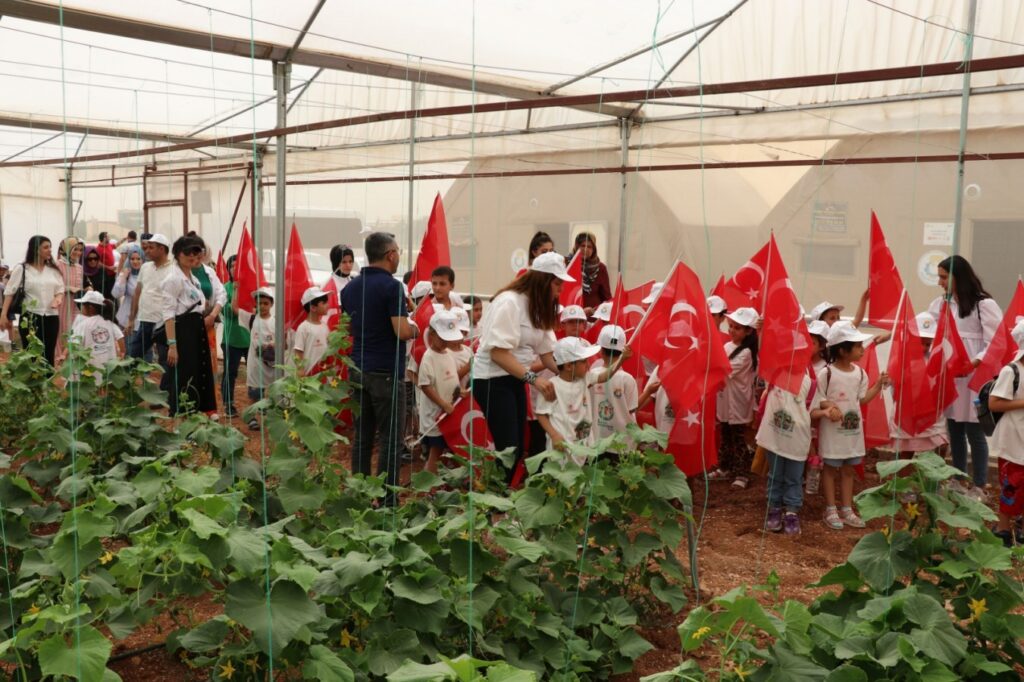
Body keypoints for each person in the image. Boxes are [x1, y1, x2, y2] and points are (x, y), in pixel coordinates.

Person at [472, 251, 568, 480]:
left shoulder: (539, 307)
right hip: (491, 380)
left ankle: (497, 499)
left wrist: (571, 375)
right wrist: (534, 379)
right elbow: (498, 353)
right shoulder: (509, 302)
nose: (560, 290)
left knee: (516, 447)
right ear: (543, 280)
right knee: (509, 448)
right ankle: (492, 502)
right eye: (557, 283)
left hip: (515, 379)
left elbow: (547, 355)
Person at [341, 232, 419, 505]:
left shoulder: (349, 288)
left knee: (362, 436)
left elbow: (349, 328)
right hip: (386, 372)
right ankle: (386, 499)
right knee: (390, 439)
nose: (398, 255)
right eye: (397, 251)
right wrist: (416, 327)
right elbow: (401, 331)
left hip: (358, 369)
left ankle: (361, 495)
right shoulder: (392, 288)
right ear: (390, 255)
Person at [928, 255, 1003, 498]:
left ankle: (979, 485)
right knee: (955, 430)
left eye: (943, 277)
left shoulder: (984, 304)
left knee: (975, 431)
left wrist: (974, 362)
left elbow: (995, 341)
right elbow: (933, 333)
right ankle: (958, 479)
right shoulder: (942, 304)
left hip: (975, 376)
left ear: (957, 276)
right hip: (952, 375)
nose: (939, 282)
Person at [812, 321, 889, 530]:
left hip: (852, 435)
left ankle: (846, 508)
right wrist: (829, 406)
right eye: (858, 346)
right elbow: (818, 399)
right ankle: (830, 508)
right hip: (832, 434)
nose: (862, 349)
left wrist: (879, 385)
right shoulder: (826, 374)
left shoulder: (860, 374)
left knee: (848, 470)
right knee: (830, 469)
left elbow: (862, 399)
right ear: (843, 350)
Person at [161, 234, 216, 416]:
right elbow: (168, 314)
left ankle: (195, 415)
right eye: (188, 252)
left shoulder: (194, 278)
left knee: (197, 372)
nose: (192, 256)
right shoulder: (173, 279)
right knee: (184, 376)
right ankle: (182, 420)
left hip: (196, 330)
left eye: (196, 251)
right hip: (182, 332)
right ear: (177, 254)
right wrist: (172, 345)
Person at [758, 370, 814, 536]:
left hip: (797, 438)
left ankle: (791, 512)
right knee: (775, 474)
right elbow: (765, 357)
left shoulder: (809, 381)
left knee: (794, 477)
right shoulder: (773, 376)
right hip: (775, 437)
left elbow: (814, 407)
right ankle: (774, 507)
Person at [709, 307, 760, 489]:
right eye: (730, 326)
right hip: (724, 399)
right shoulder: (727, 346)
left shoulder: (746, 353)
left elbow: (726, 370)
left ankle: (742, 473)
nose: (731, 331)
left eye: (737, 328)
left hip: (738, 401)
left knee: (738, 438)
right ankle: (725, 467)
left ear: (748, 331)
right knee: (725, 435)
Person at [889, 312, 949, 460]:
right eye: (920, 342)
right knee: (907, 450)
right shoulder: (901, 360)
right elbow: (894, 388)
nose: (923, 347)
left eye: (927, 344)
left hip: (931, 412)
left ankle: (932, 481)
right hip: (908, 412)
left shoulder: (936, 359)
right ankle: (900, 480)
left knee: (941, 443)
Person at [0, 235, 64, 365]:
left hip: (51, 317)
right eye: (46, 247)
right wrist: (3, 314)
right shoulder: (22, 268)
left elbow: (60, 290)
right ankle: (33, 384)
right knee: (32, 354)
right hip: (30, 317)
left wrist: (57, 299)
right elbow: (9, 292)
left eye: (50, 247)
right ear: (35, 250)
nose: (50, 250)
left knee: (48, 353)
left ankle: (47, 382)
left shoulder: (53, 269)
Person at [988, 320, 1024, 546]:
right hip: (1013, 439)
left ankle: (1021, 532)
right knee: (1011, 484)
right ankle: (1003, 528)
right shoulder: (1011, 371)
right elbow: (994, 403)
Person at [417, 310, 467, 473]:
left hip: (449, 412)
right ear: (431, 334)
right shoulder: (428, 357)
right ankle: (426, 487)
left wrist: (459, 392)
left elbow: (452, 379)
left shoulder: (448, 354)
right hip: (436, 415)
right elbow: (425, 385)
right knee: (436, 452)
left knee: (448, 450)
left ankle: (442, 482)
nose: (446, 342)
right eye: (443, 338)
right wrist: (443, 404)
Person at [590, 325, 640, 446]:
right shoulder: (628, 379)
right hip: (622, 445)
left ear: (601, 350)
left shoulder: (591, 375)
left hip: (596, 442)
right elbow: (632, 409)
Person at [128, 233, 174, 363]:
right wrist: (131, 319)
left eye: (151, 248)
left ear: (162, 249)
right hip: (145, 321)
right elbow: (138, 292)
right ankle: (128, 383)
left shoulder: (174, 270)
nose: (147, 251)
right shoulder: (145, 267)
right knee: (132, 358)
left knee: (166, 361)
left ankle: (167, 384)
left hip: (164, 323)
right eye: (146, 248)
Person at [68, 290, 124, 381]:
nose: (81, 308)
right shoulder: (109, 322)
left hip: (90, 366)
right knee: (105, 386)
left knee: (90, 385)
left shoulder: (84, 323)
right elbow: (120, 337)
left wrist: (67, 355)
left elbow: (73, 343)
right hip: (108, 365)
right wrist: (122, 352)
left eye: (82, 305)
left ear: (90, 307)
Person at [220, 255, 250, 419]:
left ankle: (257, 402)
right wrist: (236, 289)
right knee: (230, 373)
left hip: (250, 338)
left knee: (254, 373)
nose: (235, 269)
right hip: (232, 339)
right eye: (232, 266)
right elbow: (230, 312)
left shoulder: (252, 287)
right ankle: (228, 403)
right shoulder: (225, 288)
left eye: (238, 266)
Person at [245, 288, 275, 431]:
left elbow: (284, 342)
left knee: (271, 391)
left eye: (265, 303)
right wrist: (238, 287)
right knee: (254, 392)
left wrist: (271, 346)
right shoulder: (251, 319)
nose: (262, 306)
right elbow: (234, 308)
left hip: (271, 364)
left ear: (271, 304)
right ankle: (251, 418)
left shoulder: (276, 322)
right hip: (255, 364)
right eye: (259, 303)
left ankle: (270, 416)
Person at [55, 237, 85, 359]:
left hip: (75, 304)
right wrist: (68, 288)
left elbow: (79, 286)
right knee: (60, 331)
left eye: (80, 250)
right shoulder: (57, 264)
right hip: (61, 303)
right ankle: (58, 360)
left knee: (74, 331)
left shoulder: (79, 267)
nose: (78, 253)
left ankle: (71, 361)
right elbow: (54, 286)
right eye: (75, 249)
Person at [569, 232, 612, 315]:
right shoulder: (568, 265)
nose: (585, 249)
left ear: (594, 250)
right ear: (576, 246)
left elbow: (607, 297)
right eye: (582, 245)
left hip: (592, 317)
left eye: (589, 247)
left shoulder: (600, 268)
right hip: (571, 316)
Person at [293, 286, 330, 369]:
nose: (328, 305)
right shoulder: (303, 327)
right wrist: (300, 370)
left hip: (321, 373)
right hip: (308, 375)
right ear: (313, 308)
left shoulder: (324, 326)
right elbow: (298, 351)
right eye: (324, 303)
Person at [112, 245, 143, 331]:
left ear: (143, 260)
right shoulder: (126, 274)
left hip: (144, 316)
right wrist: (123, 278)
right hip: (126, 316)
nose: (135, 261)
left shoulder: (147, 274)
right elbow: (116, 294)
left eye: (138, 259)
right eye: (132, 259)